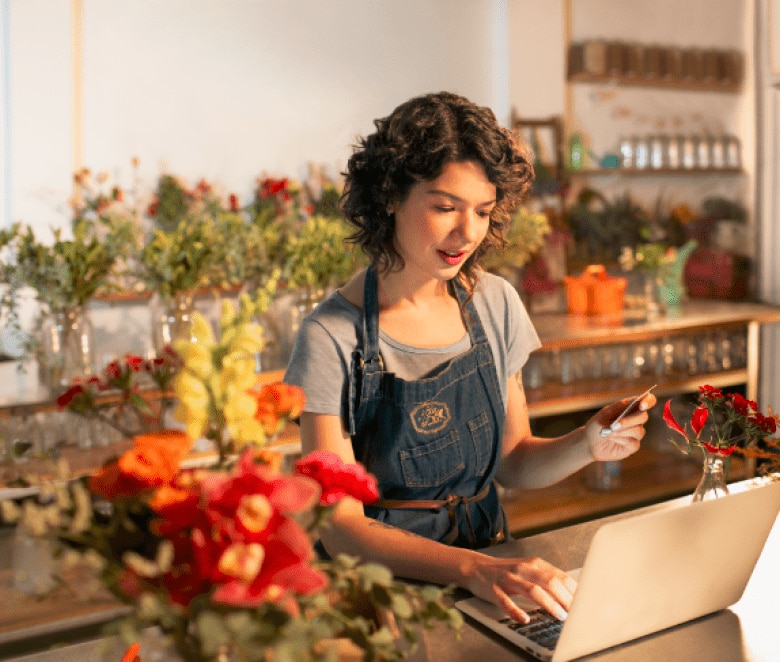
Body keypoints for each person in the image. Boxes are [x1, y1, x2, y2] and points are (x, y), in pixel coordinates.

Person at [284, 91, 656, 623]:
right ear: (390, 196)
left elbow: (514, 459)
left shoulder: (494, 302)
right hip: (380, 596)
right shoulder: (331, 336)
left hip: (492, 568)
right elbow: (341, 527)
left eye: (482, 211)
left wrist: (589, 443)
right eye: (444, 208)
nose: (468, 233)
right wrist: (470, 569)